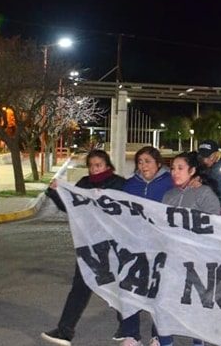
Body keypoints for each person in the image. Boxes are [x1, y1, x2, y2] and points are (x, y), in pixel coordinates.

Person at [42, 150, 127, 346]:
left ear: (108, 166)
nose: (94, 169)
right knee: (80, 287)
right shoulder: (84, 184)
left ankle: (127, 326)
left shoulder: (119, 184)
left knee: (118, 286)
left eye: (98, 165)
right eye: (91, 165)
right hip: (89, 244)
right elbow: (70, 207)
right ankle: (64, 330)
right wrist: (55, 193)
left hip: (113, 246)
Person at [152, 152, 221, 346]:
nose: (175, 172)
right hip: (173, 260)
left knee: (195, 306)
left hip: (198, 261)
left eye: (180, 168)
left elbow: (216, 225)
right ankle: (166, 342)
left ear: (192, 171)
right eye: (173, 168)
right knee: (164, 304)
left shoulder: (204, 193)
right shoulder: (169, 195)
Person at [116, 146, 174, 344]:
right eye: (140, 162)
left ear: (158, 163)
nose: (143, 165)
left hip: (162, 246)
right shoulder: (130, 185)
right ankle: (132, 334)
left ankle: (158, 334)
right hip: (135, 244)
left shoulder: (170, 182)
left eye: (147, 161)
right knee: (131, 289)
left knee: (159, 291)